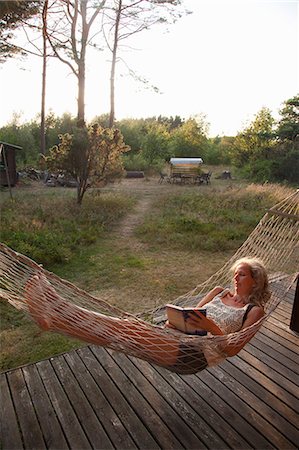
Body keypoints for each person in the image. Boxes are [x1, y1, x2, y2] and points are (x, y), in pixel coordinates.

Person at [24, 257, 271, 375]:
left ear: (255, 280)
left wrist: (210, 326)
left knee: (126, 329)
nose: (235, 278)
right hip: (175, 338)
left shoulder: (254, 312)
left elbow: (231, 349)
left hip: (195, 355)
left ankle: (56, 304)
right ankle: (53, 319)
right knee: (119, 334)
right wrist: (177, 321)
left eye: (242, 275)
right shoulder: (219, 292)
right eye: (235, 274)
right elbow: (192, 317)